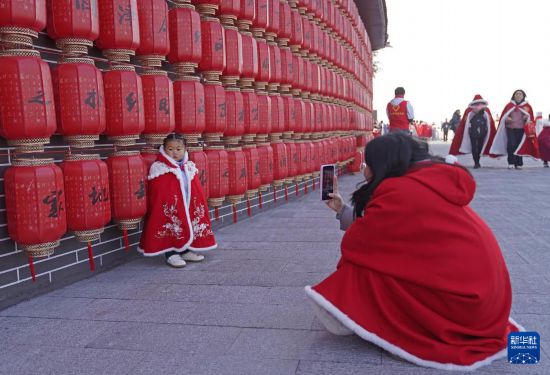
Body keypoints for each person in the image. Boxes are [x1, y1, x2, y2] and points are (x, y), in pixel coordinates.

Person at [306, 132, 522, 371]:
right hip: (486, 304)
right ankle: (526, 350)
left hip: (464, 308)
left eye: (367, 164)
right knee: (377, 255)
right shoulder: (426, 181)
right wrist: (341, 209)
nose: (364, 170)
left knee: (362, 266)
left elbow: (360, 241)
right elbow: (385, 231)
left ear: (384, 164)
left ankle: (383, 324)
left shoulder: (401, 192)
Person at [138, 134, 217, 267]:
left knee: (186, 225)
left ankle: (185, 250)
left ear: (185, 149)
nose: (174, 152)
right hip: (170, 206)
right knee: (171, 225)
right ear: (164, 148)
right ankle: (171, 253)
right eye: (170, 149)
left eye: (178, 149)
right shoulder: (160, 167)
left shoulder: (189, 166)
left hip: (187, 203)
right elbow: (159, 191)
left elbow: (196, 189)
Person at [489, 89, 535, 169]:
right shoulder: (509, 105)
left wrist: (526, 118)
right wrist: (507, 118)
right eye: (516, 94)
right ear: (514, 96)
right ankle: (511, 162)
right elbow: (504, 116)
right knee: (511, 145)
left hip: (521, 129)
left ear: (523, 96)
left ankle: (519, 163)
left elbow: (530, 118)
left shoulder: (527, 106)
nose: (518, 96)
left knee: (519, 145)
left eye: (520, 94)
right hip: (511, 128)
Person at [449, 95, 496, 168]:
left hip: (483, 132)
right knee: (474, 146)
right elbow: (465, 122)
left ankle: (477, 160)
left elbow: (489, 121)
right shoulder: (469, 110)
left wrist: (482, 112)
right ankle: (476, 162)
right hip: (472, 132)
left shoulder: (486, 110)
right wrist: (473, 113)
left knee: (480, 146)